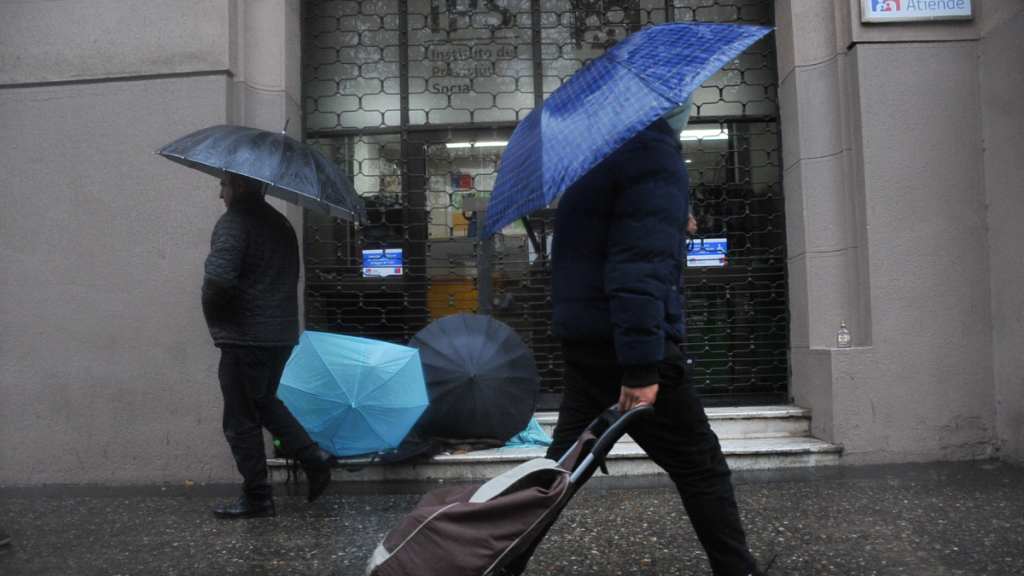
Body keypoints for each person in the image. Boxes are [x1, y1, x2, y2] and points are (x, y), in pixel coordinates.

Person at [544, 112, 767, 576]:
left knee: (557, 474)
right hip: (631, 350)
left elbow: (607, 241)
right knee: (701, 466)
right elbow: (636, 272)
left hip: (589, 344)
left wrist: (671, 222)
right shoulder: (653, 153)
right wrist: (643, 370)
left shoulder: (602, 151)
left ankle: (490, 558)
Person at [203, 172, 332, 519]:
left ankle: (258, 497)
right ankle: (312, 456)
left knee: (240, 421)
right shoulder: (279, 222)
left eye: (224, 184)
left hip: (246, 338)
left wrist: (215, 317)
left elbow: (218, 279)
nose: (220, 193)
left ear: (240, 185)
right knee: (261, 402)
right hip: (279, 337)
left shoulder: (235, 222)